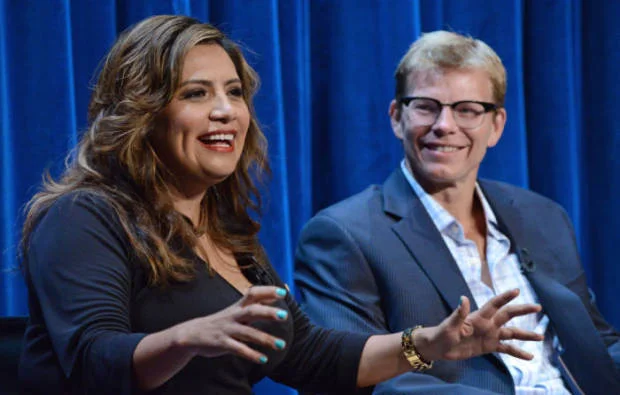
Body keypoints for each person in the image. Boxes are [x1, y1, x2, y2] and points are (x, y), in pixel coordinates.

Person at [16, 16, 544, 395]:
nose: (226, 111)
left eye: (234, 93)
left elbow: (311, 357)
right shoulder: (85, 216)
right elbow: (91, 363)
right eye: (196, 94)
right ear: (143, 113)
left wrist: (428, 344)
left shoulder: (224, 232)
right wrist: (186, 338)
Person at [295, 30, 620, 394]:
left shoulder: (543, 216)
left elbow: (596, 344)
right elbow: (346, 373)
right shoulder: (344, 234)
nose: (444, 126)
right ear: (396, 117)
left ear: (495, 125)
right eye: (425, 106)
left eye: (467, 110)